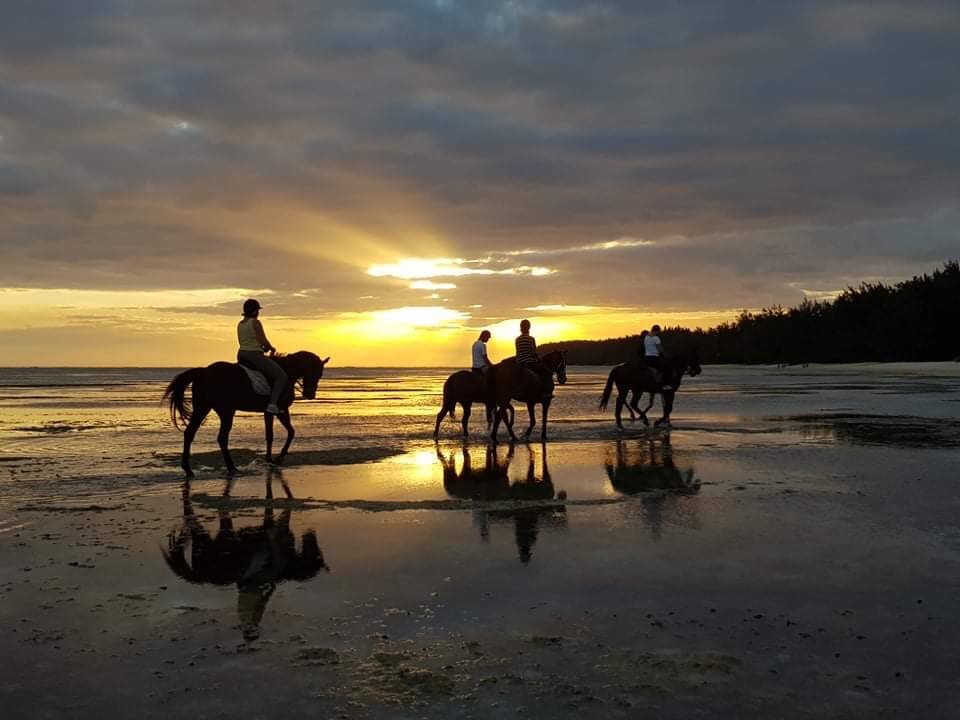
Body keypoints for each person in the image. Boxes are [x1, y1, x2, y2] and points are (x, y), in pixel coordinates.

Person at [237, 299, 288, 415]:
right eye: (258, 310)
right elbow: (262, 340)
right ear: (255, 311)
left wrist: (262, 347)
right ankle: (272, 404)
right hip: (254, 355)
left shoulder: (240, 324)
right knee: (281, 376)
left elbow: (247, 340)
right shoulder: (255, 322)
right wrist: (271, 348)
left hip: (241, 354)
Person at [515, 319, 553, 399]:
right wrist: (538, 359)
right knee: (546, 372)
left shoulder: (517, 339)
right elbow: (533, 352)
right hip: (529, 362)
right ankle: (546, 392)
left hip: (519, 363)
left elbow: (518, 352)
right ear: (529, 327)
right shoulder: (531, 339)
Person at [643, 324, 672, 391]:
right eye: (658, 332)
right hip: (654, 358)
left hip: (646, 358)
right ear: (656, 331)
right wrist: (665, 354)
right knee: (666, 368)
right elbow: (660, 349)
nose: (658, 333)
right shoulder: (656, 338)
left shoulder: (646, 337)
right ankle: (665, 384)